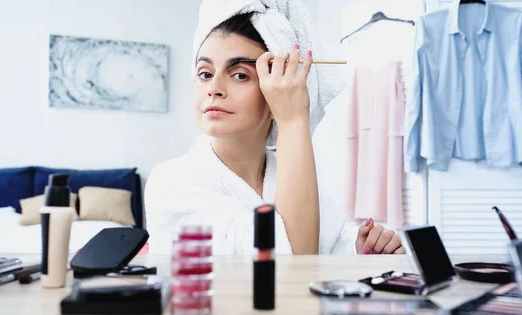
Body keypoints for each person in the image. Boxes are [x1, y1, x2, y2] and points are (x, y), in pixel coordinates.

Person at [144, 9, 405, 256]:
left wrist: (358, 254)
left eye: (239, 75)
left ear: (276, 94)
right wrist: (292, 120)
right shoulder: (170, 183)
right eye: (204, 73)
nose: (214, 87)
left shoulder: (292, 176)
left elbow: (327, 255)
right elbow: (288, 266)